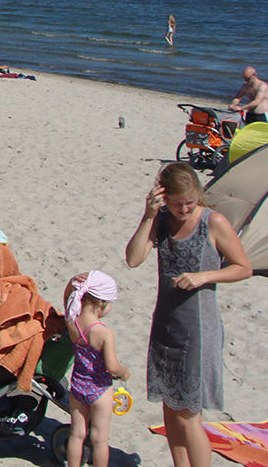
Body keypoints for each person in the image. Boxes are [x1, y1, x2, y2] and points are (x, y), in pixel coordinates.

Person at [125, 162, 251, 467]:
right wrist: (149, 216)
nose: (183, 209)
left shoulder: (213, 222)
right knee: (170, 411)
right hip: (166, 328)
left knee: (189, 414)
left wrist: (204, 276)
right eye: (177, 203)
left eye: (190, 203)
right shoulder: (162, 219)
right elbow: (133, 258)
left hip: (198, 330)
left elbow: (243, 267)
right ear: (163, 198)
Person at [62, 270, 129, 467]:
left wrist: (71, 283)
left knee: (76, 434)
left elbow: (67, 298)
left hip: (78, 386)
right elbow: (112, 366)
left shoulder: (72, 320)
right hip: (99, 390)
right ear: (101, 304)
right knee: (100, 439)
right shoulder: (103, 333)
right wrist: (124, 372)